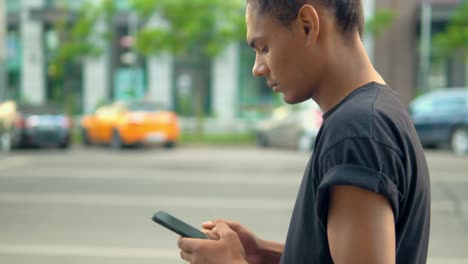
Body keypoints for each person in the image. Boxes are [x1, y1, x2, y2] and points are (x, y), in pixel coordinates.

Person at [178, 0, 431, 263]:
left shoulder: (356, 132)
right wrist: (264, 254)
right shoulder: (379, 111)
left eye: (264, 47)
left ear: (308, 26)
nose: (257, 68)